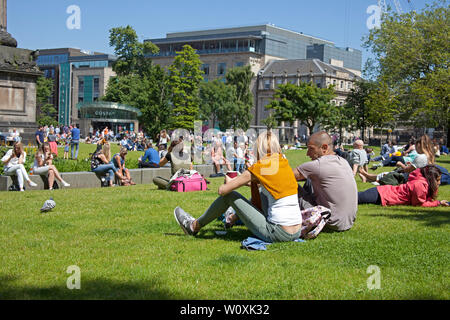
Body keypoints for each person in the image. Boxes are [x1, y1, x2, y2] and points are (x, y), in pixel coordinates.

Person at [174, 131, 303, 243]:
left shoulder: (260, 167)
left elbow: (222, 191)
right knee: (261, 191)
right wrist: (244, 181)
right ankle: (232, 218)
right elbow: (266, 185)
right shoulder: (283, 163)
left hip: (278, 233)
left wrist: (231, 181)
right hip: (296, 231)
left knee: (230, 196)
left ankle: (193, 226)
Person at [293, 131, 358, 232]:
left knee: (291, 184)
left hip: (329, 222)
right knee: (311, 181)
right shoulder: (343, 161)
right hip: (347, 222)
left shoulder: (317, 165)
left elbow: (285, 177)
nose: (307, 153)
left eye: (311, 149)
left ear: (324, 148)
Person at [358, 165, 449, 207]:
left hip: (383, 193)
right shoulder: (420, 185)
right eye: (437, 180)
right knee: (354, 198)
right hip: (381, 194)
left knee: (354, 197)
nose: (440, 183)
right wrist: (438, 203)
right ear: (431, 179)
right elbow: (418, 204)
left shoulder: (422, 183)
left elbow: (427, 199)